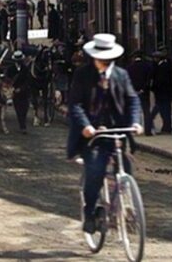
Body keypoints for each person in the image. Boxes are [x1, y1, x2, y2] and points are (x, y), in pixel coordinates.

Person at [67, 34, 143, 235]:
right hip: (93, 135)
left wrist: (135, 122)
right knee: (96, 170)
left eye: (108, 59)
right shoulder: (82, 75)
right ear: (94, 57)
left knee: (125, 168)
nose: (104, 63)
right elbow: (74, 104)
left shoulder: (121, 75)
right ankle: (90, 211)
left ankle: (124, 204)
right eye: (101, 59)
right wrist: (85, 126)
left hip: (116, 131)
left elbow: (132, 99)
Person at [126, 51, 154, 136]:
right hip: (144, 91)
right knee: (146, 111)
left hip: (133, 91)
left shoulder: (129, 67)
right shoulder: (147, 66)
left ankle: (135, 129)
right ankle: (148, 131)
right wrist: (144, 88)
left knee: (134, 110)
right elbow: (149, 79)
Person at [150, 50, 172, 134]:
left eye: (155, 58)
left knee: (163, 110)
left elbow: (160, 81)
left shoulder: (162, 67)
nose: (154, 60)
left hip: (163, 93)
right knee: (165, 110)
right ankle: (166, 127)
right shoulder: (165, 65)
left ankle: (166, 128)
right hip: (165, 93)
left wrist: (153, 88)